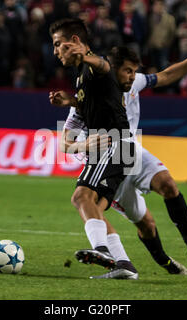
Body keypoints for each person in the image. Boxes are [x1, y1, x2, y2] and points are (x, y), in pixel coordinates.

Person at [51, 26, 187, 278]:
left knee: (167, 185)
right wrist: (79, 129)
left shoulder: (129, 80)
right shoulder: (84, 96)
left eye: (133, 71)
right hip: (108, 157)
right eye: (127, 71)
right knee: (143, 222)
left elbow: (166, 75)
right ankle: (143, 264)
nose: (132, 76)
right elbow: (64, 141)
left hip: (125, 149)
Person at [49, 18, 138, 279]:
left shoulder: (93, 68)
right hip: (121, 147)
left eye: (59, 45)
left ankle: (102, 250)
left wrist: (86, 57)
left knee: (80, 197)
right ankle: (124, 265)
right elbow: (98, 100)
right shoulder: (81, 80)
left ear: (75, 42)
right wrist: (74, 102)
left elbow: (104, 66)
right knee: (93, 207)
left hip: (112, 142)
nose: (55, 51)